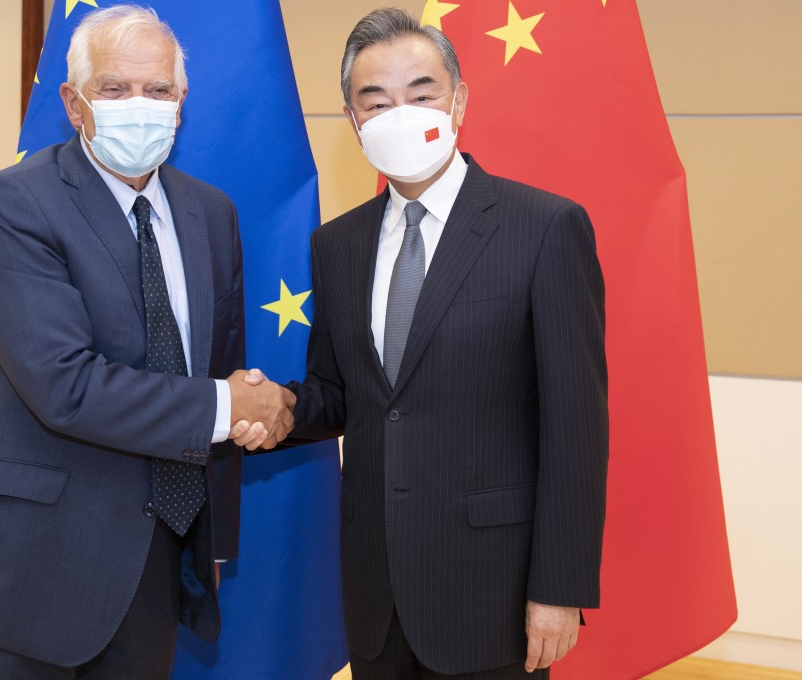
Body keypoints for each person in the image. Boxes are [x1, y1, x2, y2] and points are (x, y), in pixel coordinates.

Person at [0, 6, 294, 678]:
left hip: (152, 566)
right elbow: (64, 384)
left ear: (182, 102)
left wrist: (250, 411)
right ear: (73, 102)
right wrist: (226, 406)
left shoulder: (211, 213)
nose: (139, 107)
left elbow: (215, 367)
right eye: (114, 89)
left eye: (157, 91)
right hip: (23, 569)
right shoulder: (14, 205)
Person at [239, 7, 608, 679]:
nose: (399, 114)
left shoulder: (545, 228)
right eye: (374, 101)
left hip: (493, 594)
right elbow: (340, 393)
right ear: (353, 120)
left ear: (459, 99)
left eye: (421, 93)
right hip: (377, 594)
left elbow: (576, 428)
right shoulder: (338, 245)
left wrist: (560, 588)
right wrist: (271, 410)